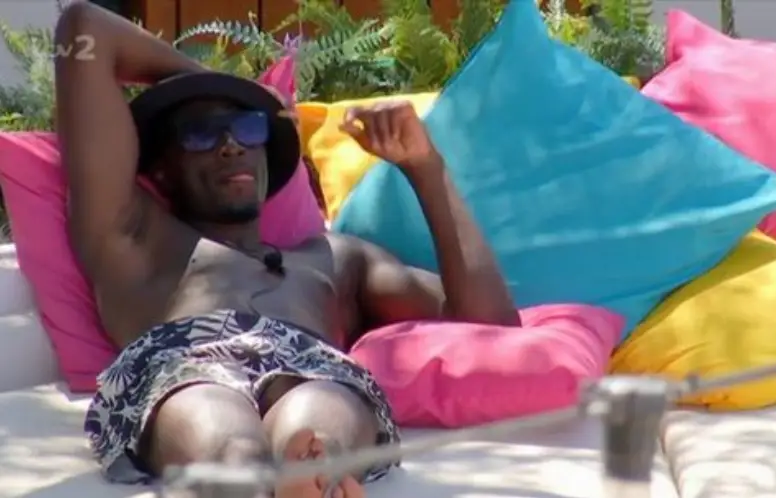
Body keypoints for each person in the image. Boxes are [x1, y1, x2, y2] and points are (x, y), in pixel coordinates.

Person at [54, 2, 520, 497]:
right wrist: (227, 83)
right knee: (230, 449)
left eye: (249, 128)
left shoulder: (336, 259)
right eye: (202, 133)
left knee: (319, 433)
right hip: (186, 363)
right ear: (163, 170)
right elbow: (84, 29)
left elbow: (490, 322)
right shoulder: (134, 235)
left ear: (266, 154)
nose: (231, 145)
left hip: (312, 365)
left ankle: (312, 478)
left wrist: (426, 168)